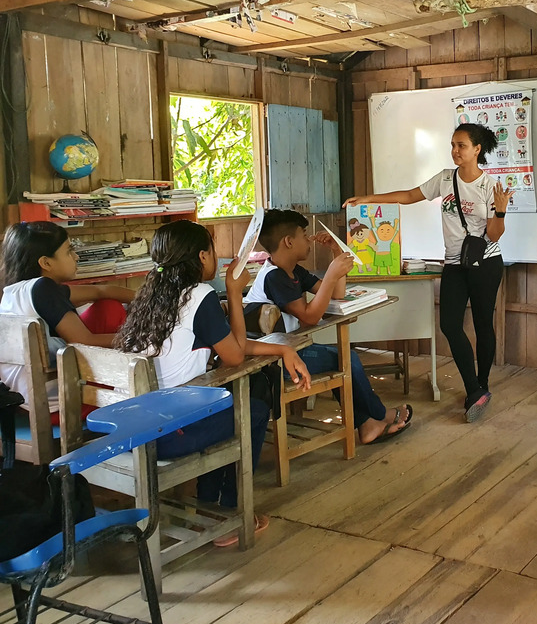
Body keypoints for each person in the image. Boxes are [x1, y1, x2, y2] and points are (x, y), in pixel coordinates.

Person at [115, 220, 312, 545]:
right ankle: (233, 513)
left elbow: (231, 344)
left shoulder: (152, 294)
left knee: (231, 398)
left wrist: (281, 349)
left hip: (137, 425)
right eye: (213, 249)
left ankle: (207, 505)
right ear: (202, 255)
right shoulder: (200, 295)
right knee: (255, 409)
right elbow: (234, 356)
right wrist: (234, 293)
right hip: (168, 433)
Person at [344, 123, 512, 422]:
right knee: (449, 324)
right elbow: (410, 196)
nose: (455, 151)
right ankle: (474, 388)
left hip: (486, 263)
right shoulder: (446, 179)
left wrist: (500, 212)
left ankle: (482, 386)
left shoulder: (489, 187)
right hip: (454, 264)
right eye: (452, 144)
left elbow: (494, 235)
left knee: (484, 324)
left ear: (477, 149)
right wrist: (368, 199)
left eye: (461, 145)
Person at [243, 209, 413, 444]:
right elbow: (310, 317)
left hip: (289, 353)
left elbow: (337, 293)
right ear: (289, 242)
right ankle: (378, 417)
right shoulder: (274, 277)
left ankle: (368, 424)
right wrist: (332, 274)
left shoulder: (292, 271)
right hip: (272, 362)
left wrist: (336, 253)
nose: (308, 239)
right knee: (346, 359)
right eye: (304, 234)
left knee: (342, 358)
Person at [0, 221, 134, 418]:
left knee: (106, 305)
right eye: (69, 251)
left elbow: (101, 290)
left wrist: (153, 299)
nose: (76, 256)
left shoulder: (15, 292)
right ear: (46, 263)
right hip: (58, 406)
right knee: (110, 310)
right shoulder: (43, 288)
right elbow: (84, 341)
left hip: (25, 403)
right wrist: (140, 338)